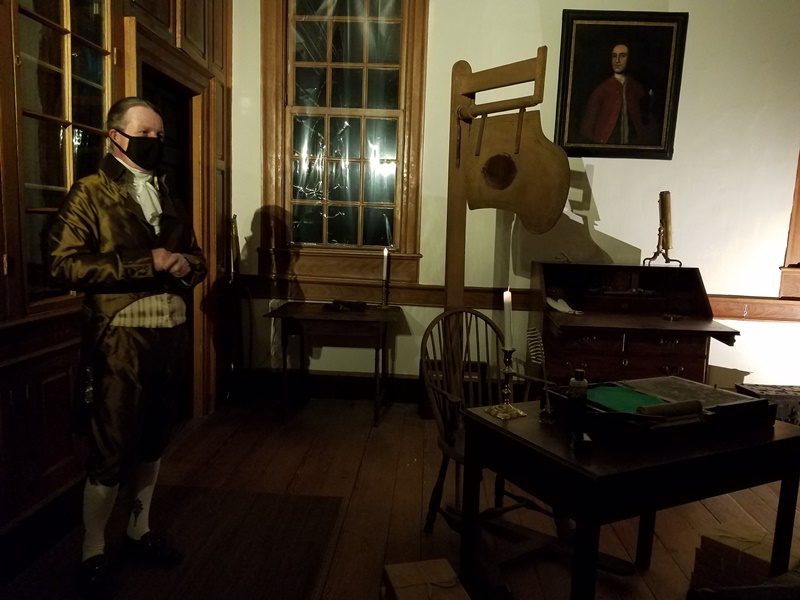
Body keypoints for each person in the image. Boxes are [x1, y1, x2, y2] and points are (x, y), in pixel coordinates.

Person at [49, 96, 207, 597]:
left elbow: (195, 256)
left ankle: (139, 530)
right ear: (115, 136)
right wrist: (147, 262)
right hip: (119, 340)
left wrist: (187, 265)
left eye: (160, 135)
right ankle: (93, 550)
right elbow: (62, 265)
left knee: (155, 441)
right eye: (145, 133)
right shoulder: (90, 192)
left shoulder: (167, 191)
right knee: (112, 448)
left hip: (170, 336)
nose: (155, 142)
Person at [579, 43, 658, 145]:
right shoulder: (601, 90)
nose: (617, 60)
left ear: (629, 59)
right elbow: (587, 128)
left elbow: (647, 124)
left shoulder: (637, 88)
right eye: (614, 56)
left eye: (622, 56)